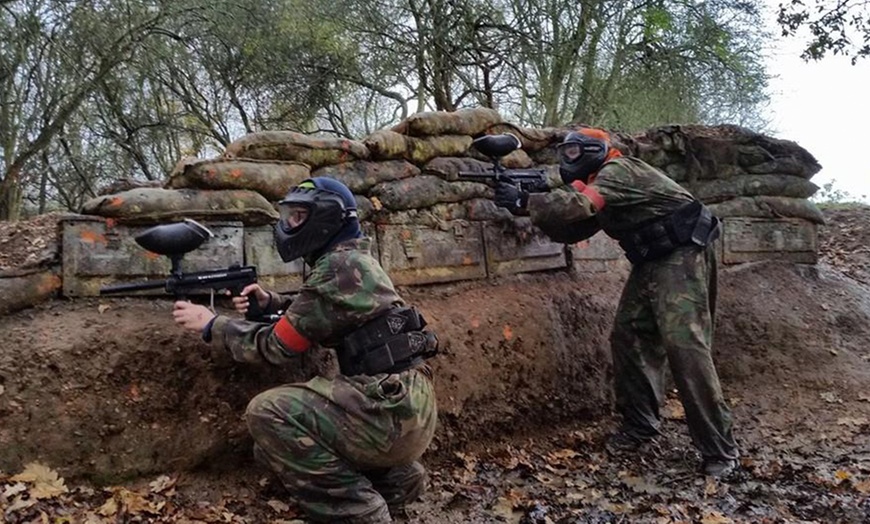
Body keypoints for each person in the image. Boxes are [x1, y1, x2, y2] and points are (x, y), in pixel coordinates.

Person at [172, 177, 439, 523]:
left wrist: (211, 324)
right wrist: (271, 302)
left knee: (267, 413)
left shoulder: (337, 269)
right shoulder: (351, 262)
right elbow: (318, 311)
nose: (289, 225)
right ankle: (397, 482)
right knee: (291, 435)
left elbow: (276, 347)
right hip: (409, 410)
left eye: (298, 216)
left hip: (387, 414)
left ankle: (359, 513)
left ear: (326, 218)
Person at [493, 127, 739, 477]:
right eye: (566, 153)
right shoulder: (599, 183)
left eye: (575, 152)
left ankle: (720, 449)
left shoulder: (619, 171)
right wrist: (524, 205)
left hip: (684, 254)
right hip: (652, 260)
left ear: (596, 151)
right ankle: (641, 425)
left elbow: (578, 206)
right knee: (629, 336)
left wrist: (527, 200)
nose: (568, 159)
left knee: (685, 346)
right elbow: (574, 229)